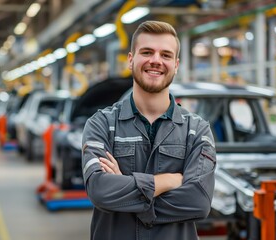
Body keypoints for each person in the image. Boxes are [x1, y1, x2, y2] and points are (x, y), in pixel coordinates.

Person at [82, 21, 216, 240]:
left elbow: (197, 201)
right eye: (147, 52)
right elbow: (100, 191)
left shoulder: (197, 130)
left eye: (165, 55)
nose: (156, 60)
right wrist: (168, 181)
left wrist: (126, 192)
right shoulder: (102, 124)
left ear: (176, 64)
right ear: (130, 59)